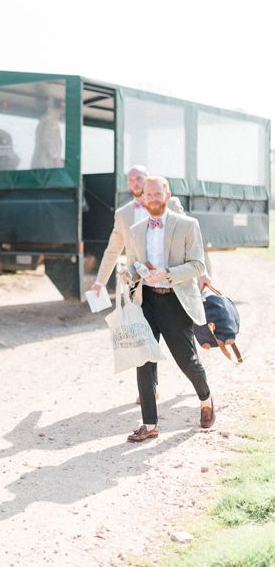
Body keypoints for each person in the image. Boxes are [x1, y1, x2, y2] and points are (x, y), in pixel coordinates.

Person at [119, 176, 215, 442]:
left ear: (167, 194)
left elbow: (197, 265)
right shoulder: (136, 230)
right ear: (142, 198)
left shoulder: (187, 225)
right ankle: (149, 424)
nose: (152, 199)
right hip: (146, 301)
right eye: (147, 195)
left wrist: (168, 273)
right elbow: (133, 264)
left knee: (187, 360)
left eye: (157, 194)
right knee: (144, 360)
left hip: (176, 301)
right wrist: (128, 274)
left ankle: (206, 399)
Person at [91, 166, 185, 403]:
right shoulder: (123, 214)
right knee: (143, 338)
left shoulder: (171, 204)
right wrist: (99, 282)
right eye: (131, 179)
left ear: (148, 182)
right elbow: (113, 250)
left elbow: (190, 241)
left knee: (182, 344)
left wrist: (201, 277)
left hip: (171, 286)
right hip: (139, 288)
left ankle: (199, 384)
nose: (135, 182)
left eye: (139, 178)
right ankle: (149, 390)